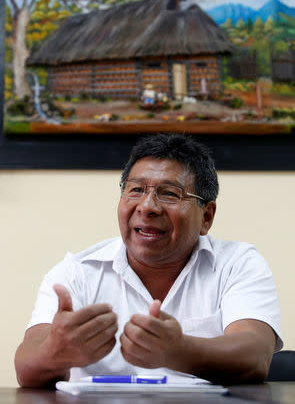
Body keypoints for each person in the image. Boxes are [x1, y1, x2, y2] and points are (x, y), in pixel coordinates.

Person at [15, 133, 282, 388]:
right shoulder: (77, 272)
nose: (147, 207)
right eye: (136, 190)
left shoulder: (237, 264)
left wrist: (178, 350)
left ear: (207, 217)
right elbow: (25, 367)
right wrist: (56, 349)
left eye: (169, 193)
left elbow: (254, 356)